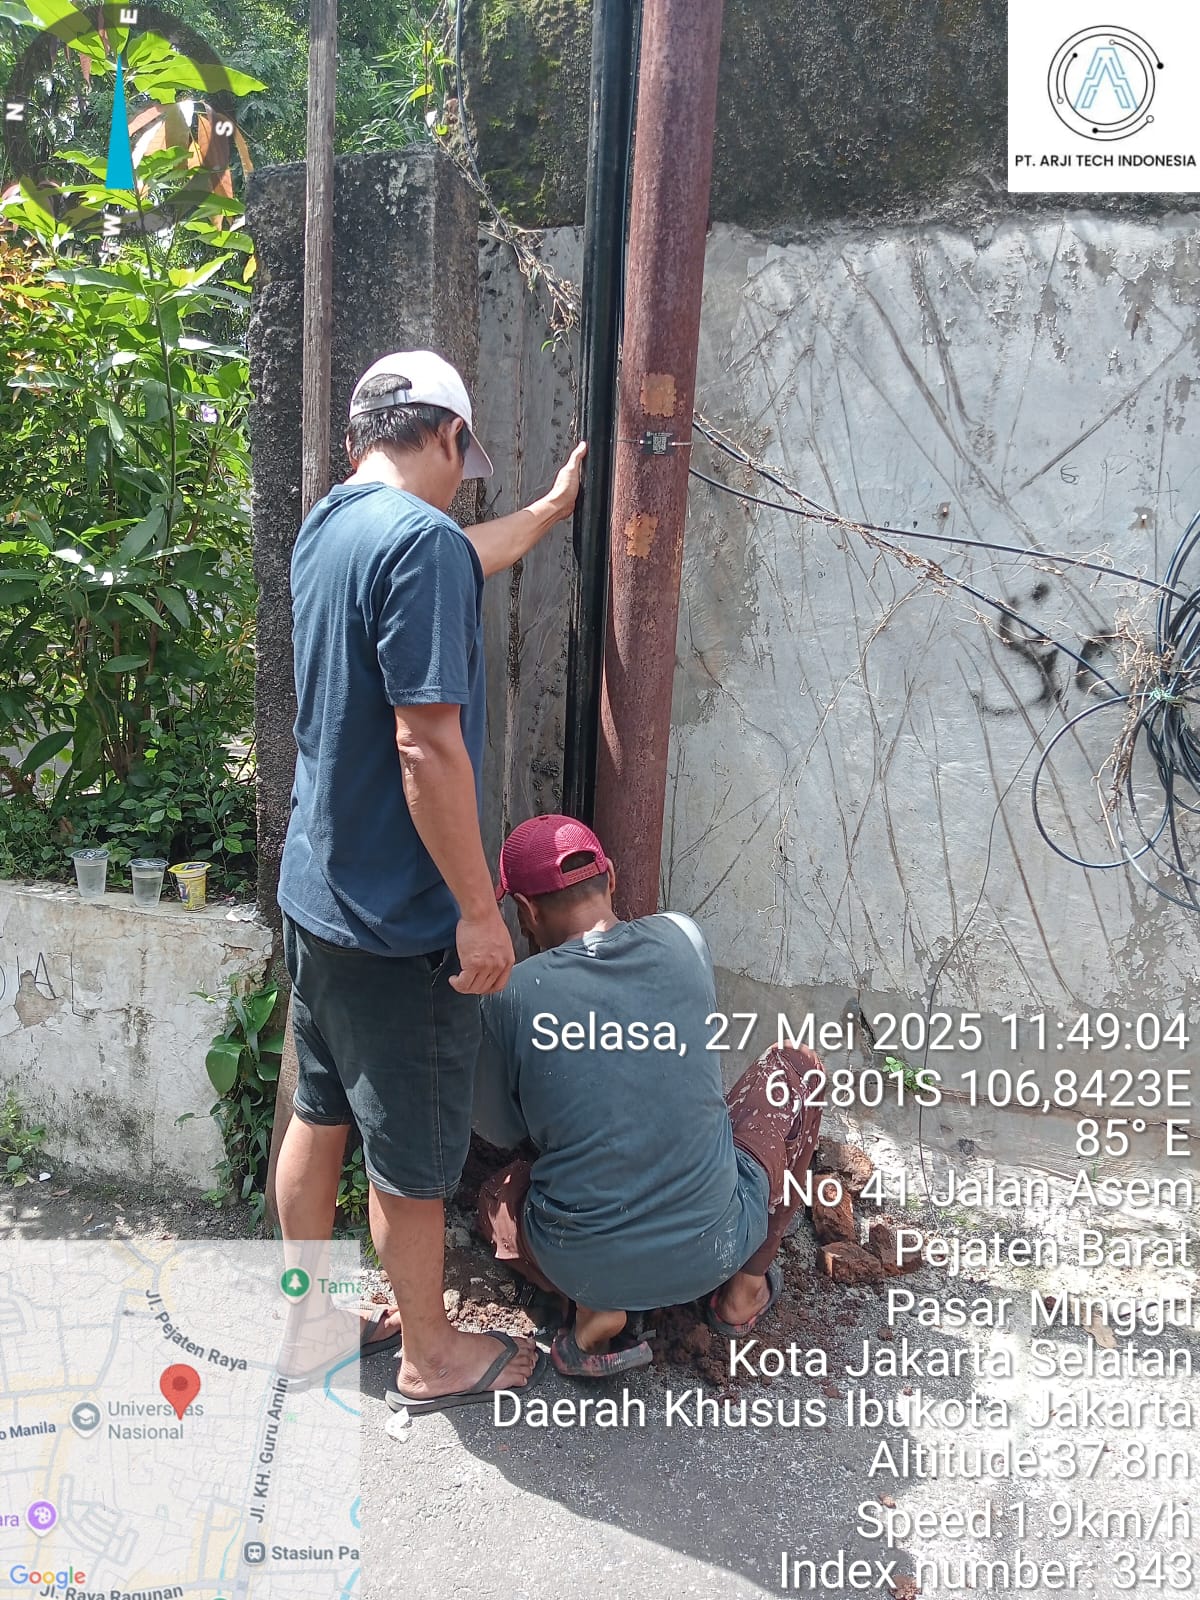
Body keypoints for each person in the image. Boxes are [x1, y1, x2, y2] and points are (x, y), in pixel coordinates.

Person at [273, 350, 585, 1413]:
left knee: (320, 1113)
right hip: (402, 924)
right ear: (450, 436)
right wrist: (479, 913)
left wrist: (544, 514)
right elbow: (426, 747)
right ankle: (430, 1354)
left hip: (319, 897)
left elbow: (457, 554)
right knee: (406, 1161)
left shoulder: (333, 525)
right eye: (467, 458)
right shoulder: (419, 543)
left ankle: (311, 1323)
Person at [473, 813, 826, 1378]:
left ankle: (596, 1312)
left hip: (586, 1265)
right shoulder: (684, 937)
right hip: (718, 1244)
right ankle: (743, 1292)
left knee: (497, 1197)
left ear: (525, 911)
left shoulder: (511, 994)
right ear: (611, 879)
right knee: (799, 1068)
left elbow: (501, 1130)